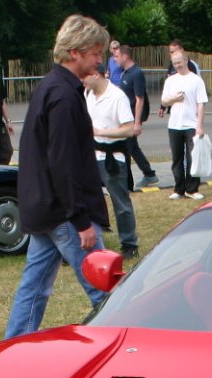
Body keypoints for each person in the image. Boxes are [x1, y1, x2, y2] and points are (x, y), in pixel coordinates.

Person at [4, 14, 110, 339]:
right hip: (64, 212)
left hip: (45, 208)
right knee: (105, 290)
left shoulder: (53, 86)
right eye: (95, 53)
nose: (100, 59)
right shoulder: (63, 95)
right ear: (75, 52)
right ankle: (125, 348)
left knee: (34, 287)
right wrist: (80, 220)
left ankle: (14, 347)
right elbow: (63, 163)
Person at [84, 65, 138, 258]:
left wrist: (101, 132)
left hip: (113, 158)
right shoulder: (88, 94)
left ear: (96, 74)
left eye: (86, 77)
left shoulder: (117, 97)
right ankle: (91, 241)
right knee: (87, 200)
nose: (83, 80)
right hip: (92, 155)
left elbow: (129, 129)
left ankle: (129, 244)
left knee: (120, 202)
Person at [161, 50, 208, 200]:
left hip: (191, 124)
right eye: (174, 64)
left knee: (193, 157)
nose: (177, 66)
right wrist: (174, 99)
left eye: (179, 63)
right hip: (174, 124)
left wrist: (199, 125)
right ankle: (179, 189)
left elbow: (201, 104)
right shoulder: (170, 80)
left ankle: (192, 189)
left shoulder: (196, 80)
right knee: (177, 158)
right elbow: (164, 101)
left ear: (186, 60)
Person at [117, 45, 158, 189]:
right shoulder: (125, 73)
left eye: (117, 56)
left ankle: (136, 179)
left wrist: (137, 122)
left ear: (125, 56)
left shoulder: (136, 73)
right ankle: (148, 174)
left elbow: (139, 99)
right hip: (125, 117)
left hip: (132, 118)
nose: (115, 59)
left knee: (129, 148)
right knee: (132, 148)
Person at [158, 40, 199, 119]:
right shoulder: (171, 65)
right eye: (171, 52)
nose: (173, 54)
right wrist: (162, 106)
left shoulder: (191, 66)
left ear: (182, 50)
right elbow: (168, 87)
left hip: (187, 107)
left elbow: (195, 87)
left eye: (174, 51)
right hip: (174, 106)